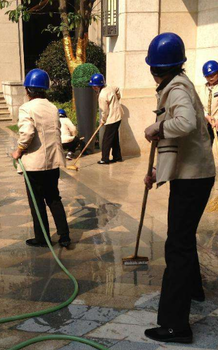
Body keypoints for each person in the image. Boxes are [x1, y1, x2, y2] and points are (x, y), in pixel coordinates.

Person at [143, 32, 215, 343]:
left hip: (192, 180)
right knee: (183, 239)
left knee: (177, 247)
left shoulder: (175, 91)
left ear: (155, 68)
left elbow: (184, 125)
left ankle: (176, 326)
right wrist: (160, 170)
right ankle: (195, 291)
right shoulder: (182, 85)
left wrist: (156, 127)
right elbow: (201, 135)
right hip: (195, 174)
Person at [12, 69, 71, 248]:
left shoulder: (27, 108)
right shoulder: (52, 107)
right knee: (54, 198)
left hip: (34, 165)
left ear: (28, 90)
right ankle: (64, 236)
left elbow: (27, 132)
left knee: (37, 202)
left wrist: (19, 150)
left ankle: (42, 238)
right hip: (53, 161)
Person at [90, 73, 124, 165]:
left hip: (112, 117)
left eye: (93, 86)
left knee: (106, 139)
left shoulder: (102, 96)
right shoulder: (109, 88)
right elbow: (117, 88)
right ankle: (117, 157)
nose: (93, 88)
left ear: (97, 86)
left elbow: (104, 111)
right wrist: (117, 97)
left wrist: (103, 120)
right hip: (118, 115)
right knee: (114, 138)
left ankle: (105, 159)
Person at [201, 60, 218, 145]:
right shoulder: (202, 89)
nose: (211, 78)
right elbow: (199, 105)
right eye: (208, 76)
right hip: (207, 124)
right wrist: (206, 116)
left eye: (213, 75)